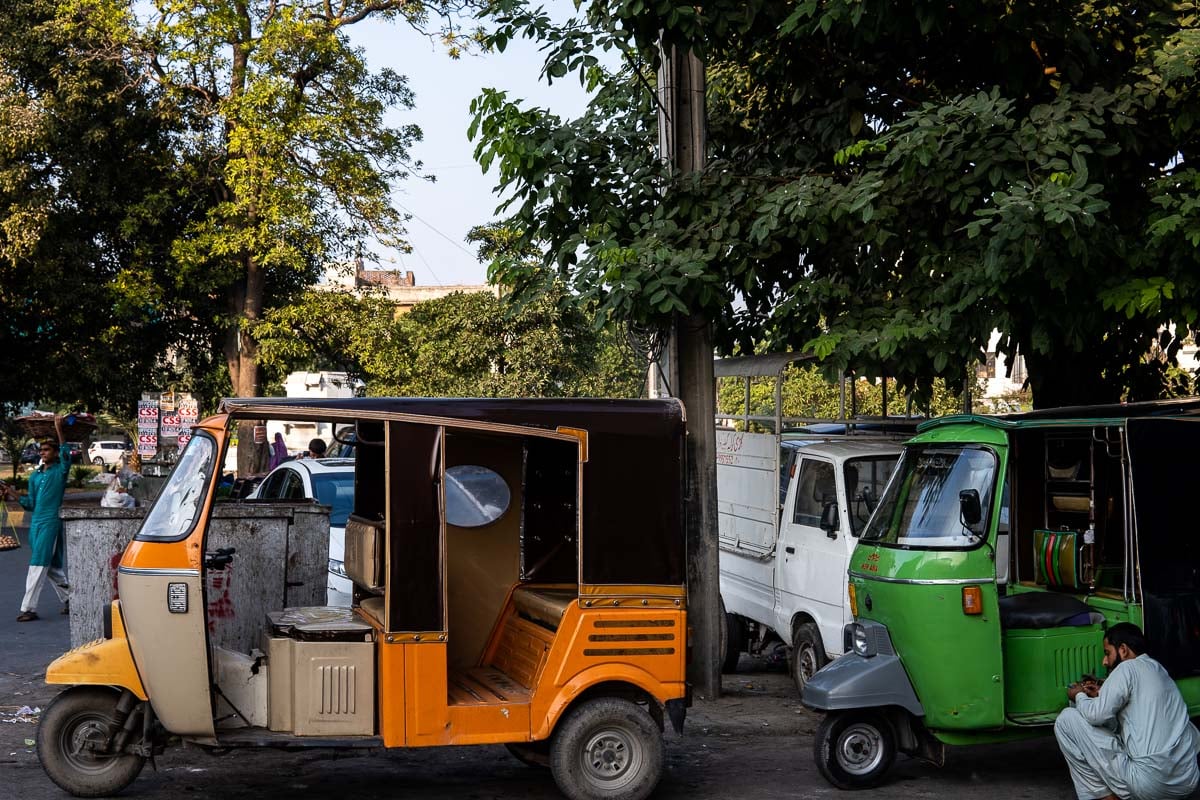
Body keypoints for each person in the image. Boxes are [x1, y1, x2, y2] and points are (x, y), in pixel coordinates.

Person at [1054, 622, 1200, 800]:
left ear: (1123, 650)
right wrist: (1102, 693)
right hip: (1187, 783)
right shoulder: (1157, 668)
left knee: (1067, 719)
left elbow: (1096, 715)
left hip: (1151, 786)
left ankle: (1106, 797)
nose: (1104, 661)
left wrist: (1078, 695)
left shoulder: (1126, 667)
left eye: (1107, 653)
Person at [2, 416, 71, 622]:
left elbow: (67, 453)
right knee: (50, 567)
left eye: (47, 450)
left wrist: (59, 429)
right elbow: (30, 503)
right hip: (36, 524)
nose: (43, 453)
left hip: (51, 522)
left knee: (38, 563)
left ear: (55, 453)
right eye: (41, 450)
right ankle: (71, 598)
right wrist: (11, 493)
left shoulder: (61, 471)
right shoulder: (35, 477)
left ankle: (28, 608)